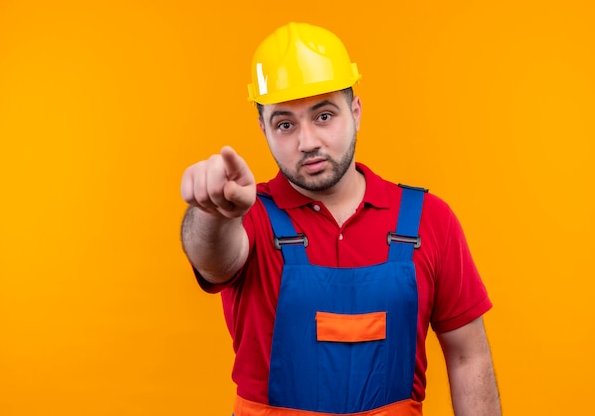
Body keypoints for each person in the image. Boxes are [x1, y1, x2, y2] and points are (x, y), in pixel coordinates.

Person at [180, 22, 501, 416]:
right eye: (285, 124)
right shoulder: (250, 218)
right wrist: (212, 213)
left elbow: (469, 358)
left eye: (324, 116)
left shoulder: (428, 220)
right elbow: (212, 258)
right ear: (262, 129)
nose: (308, 141)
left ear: (356, 112)